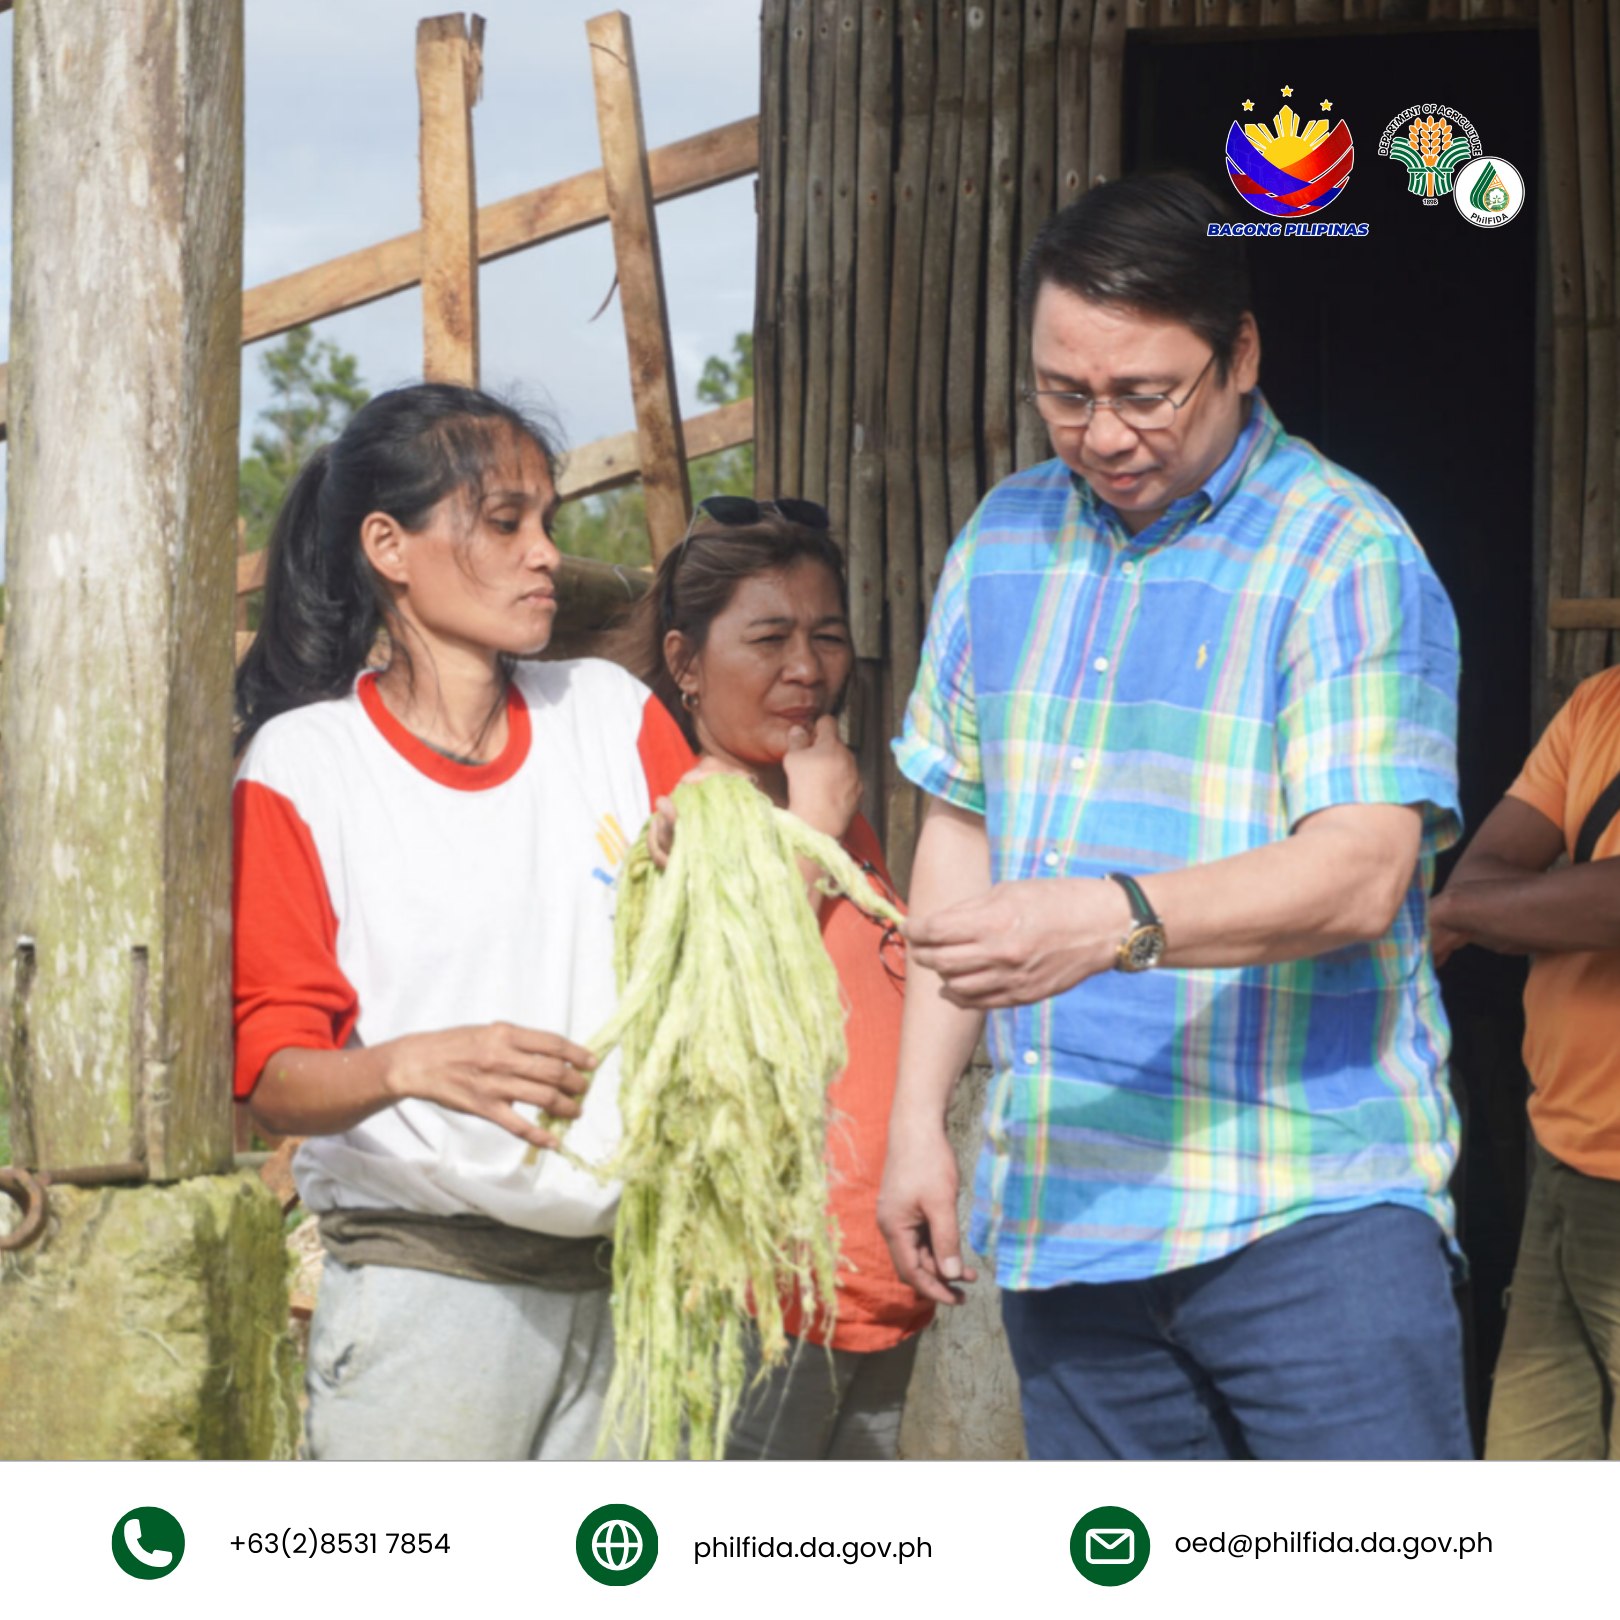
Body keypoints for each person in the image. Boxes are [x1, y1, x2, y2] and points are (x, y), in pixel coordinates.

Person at [878, 174, 1471, 1460]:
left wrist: (1111, 923)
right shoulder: (1003, 539)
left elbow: (1363, 874)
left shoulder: (1346, 554)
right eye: (1064, 393)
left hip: (1308, 1206)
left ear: (1241, 354)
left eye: (1147, 394)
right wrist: (920, 1116)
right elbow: (961, 831)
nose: (1101, 434)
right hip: (1066, 1206)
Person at [232, 383, 692, 1460]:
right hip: (425, 1299)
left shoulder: (613, 717)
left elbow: (721, 891)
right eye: (503, 523)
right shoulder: (306, 767)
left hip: (628, 1295)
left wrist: (719, 850)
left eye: (547, 523)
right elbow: (270, 1076)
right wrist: (409, 1065)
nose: (544, 555)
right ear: (389, 545)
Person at [609, 494, 933, 1458]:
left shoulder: (812, 791)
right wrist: (818, 829)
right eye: (770, 638)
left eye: (828, 636)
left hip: (869, 1288)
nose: (807, 668)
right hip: (760, 1299)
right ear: (683, 664)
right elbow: (702, 1002)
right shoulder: (694, 812)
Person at [1430, 663, 1620, 1459]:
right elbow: (1482, 869)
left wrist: (1461, 911)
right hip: (1566, 1160)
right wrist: (1485, 902)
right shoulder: (1601, 702)